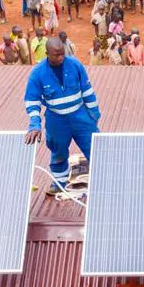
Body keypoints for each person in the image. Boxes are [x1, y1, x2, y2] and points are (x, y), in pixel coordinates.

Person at [24, 36, 100, 192]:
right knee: (58, 152)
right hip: (56, 120)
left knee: (95, 147)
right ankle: (59, 184)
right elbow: (32, 101)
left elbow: (87, 91)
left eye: (62, 54)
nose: (61, 58)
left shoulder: (75, 65)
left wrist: (93, 115)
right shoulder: (37, 74)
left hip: (81, 117)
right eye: (56, 55)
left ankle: (103, 179)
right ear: (47, 53)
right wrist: (34, 125)